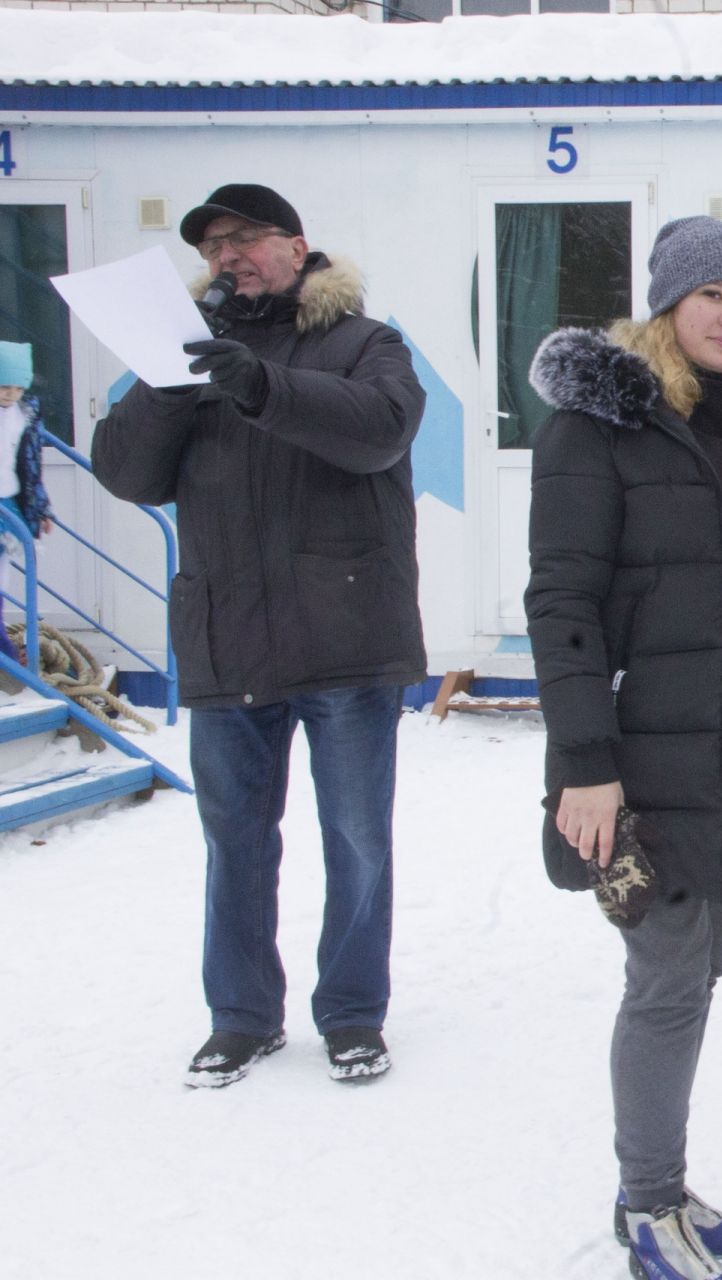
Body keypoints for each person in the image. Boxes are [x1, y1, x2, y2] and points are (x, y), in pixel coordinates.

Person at [525, 215, 722, 1280]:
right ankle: (649, 1202)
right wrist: (583, 761)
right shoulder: (598, 423)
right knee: (665, 976)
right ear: (668, 303)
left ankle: (659, 1178)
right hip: (645, 751)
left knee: (701, 969)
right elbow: (561, 601)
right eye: (713, 297)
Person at [92, 183, 426, 1089]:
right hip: (226, 638)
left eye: (245, 239)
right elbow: (123, 470)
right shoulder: (184, 354)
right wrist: (174, 381)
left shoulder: (365, 343)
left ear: (297, 246)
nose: (227, 257)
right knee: (234, 838)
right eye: (211, 248)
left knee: (356, 836)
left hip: (347, 636)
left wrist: (263, 385)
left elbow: (382, 432)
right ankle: (241, 1016)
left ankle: (353, 1013)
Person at [0, 339, 54, 666]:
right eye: (3, 387)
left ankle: (5, 653)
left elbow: (31, 465)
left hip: (8, 502)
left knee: (2, 579)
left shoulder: (25, 413)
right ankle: (5, 653)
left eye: (17, 388)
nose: (10, 394)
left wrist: (40, 508)